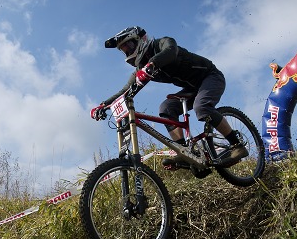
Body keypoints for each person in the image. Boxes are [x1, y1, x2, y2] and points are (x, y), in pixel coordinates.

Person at [90, 26, 247, 168]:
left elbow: (171, 51)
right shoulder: (141, 68)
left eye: (129, 46)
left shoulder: (162, 43)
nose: (128, 52)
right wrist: (104, 105)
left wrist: (152, 65)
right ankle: (184, 152)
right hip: (192, 88)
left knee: (202, 107)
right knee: (166, 108)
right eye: (124, 50)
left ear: (141, 39)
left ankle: (236, 144)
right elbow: (126, 90)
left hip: (210, 76)